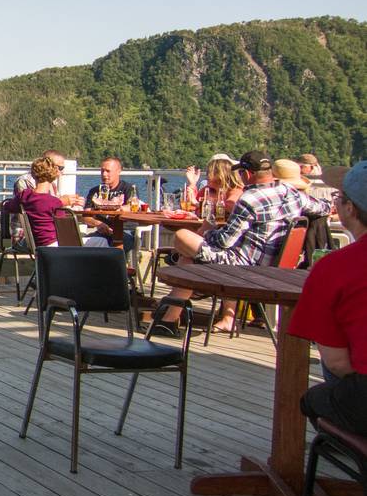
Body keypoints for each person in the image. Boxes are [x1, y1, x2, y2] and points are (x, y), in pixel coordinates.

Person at [152, 150, 333, 334]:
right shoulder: (291, 193)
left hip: (244, 268)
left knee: (183, 237)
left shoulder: (249, 199)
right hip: (275, 267)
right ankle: (173, 319)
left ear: (247, 174)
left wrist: (208, 230)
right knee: (188, 258)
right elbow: (324, 207)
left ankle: (170, 315)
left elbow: (224, 242)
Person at [288, 161, 367, 436]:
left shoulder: (333, 267)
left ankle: (352, 454)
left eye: (339, 198)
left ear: (350, 209)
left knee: (315, 399)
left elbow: (338, 364)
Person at [81, 156, 134, 248]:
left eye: (108, 171)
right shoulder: (94, 191)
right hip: (101, 231)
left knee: (122, 242)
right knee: (84, 245)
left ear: (118, 171)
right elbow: (86, 216)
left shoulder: (128, 188)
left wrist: (120, 208)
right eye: (102, 171)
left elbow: (131, 207)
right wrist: (98, 224)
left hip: (124, 230)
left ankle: (115, 262)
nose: (104, 174)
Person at [13, 149, 84, 206]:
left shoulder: (52, 184)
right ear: (47, 164)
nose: (61, 172)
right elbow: (31, 206)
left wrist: (70, 201)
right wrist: (61, 202)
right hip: (27, 223)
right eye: (60, 168)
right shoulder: (25, 180)